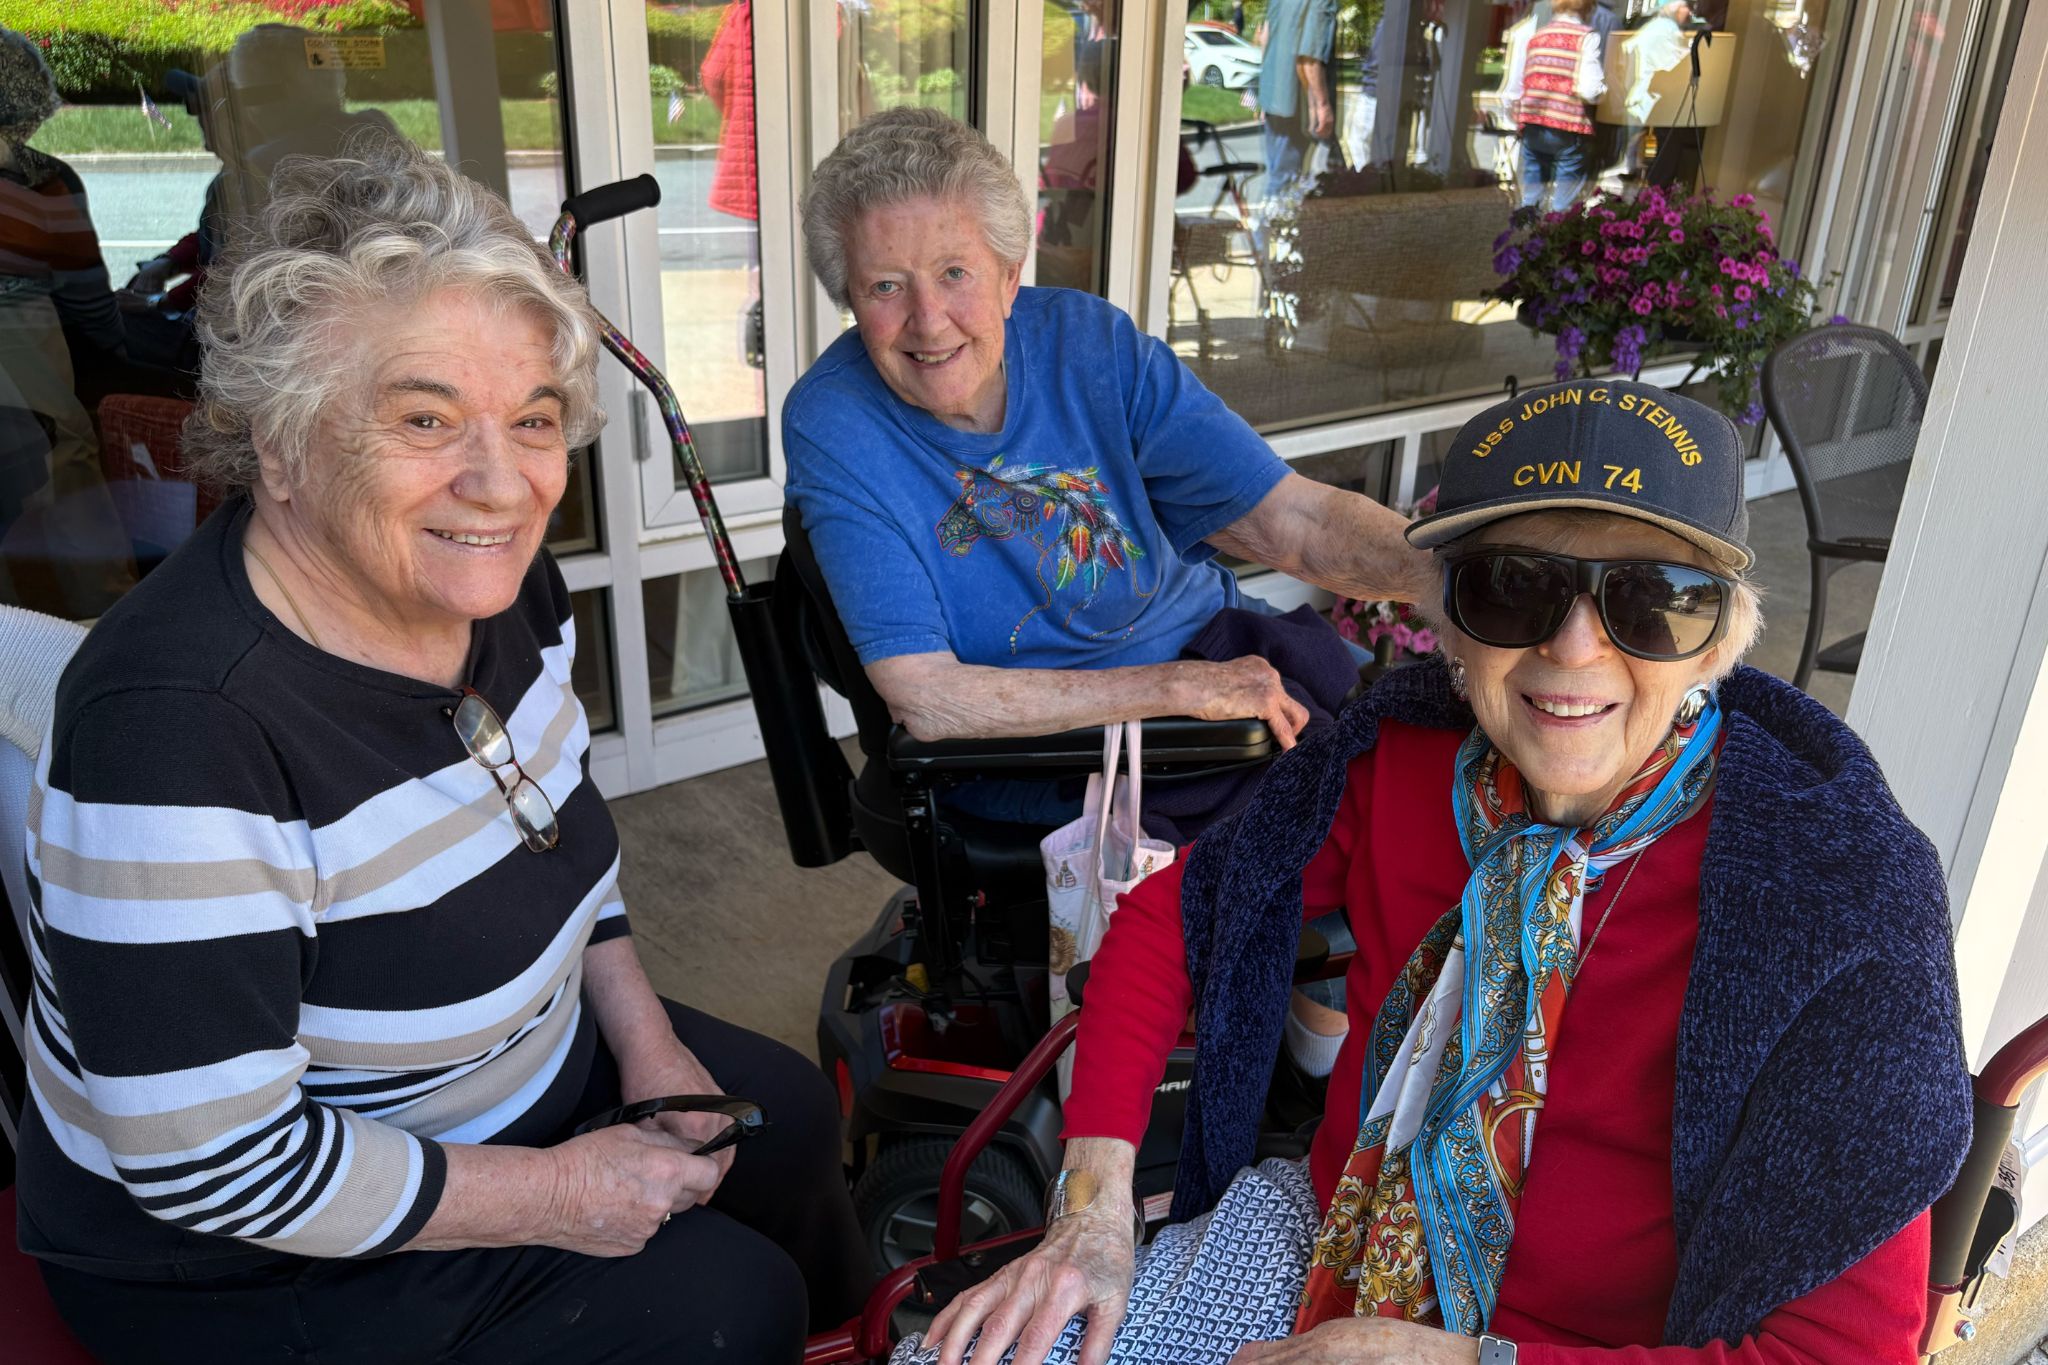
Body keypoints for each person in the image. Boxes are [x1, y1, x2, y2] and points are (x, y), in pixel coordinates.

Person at [17, 135, 869, 1365]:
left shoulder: (499, 592)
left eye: (529, 419)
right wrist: (565, 1197)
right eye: (424, 417)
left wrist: (645, 1041)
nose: (500, 483)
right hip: (242, 1257)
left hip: (502, 1078)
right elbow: (216, 1168)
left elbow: (561, 830)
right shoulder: (180, 730)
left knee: (777, 1117)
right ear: (280, 443)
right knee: (718, 1308)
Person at [915, 379, 1971, 1365]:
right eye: (1513, 589)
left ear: (1714, 643)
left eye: (1651, 599)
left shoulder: (1830, 896)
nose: (1571, 647)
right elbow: (1169, 923)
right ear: (1448, 626)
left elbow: (1838, 1352)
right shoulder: (1393, 770)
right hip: (1327, 1237)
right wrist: (1089, 1212)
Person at [786, 107, 1433, 821]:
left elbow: (1292, 518)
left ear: (1009, 275)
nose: (929, 318)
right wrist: (1177, 691)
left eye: (955, 272)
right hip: (1059, 757)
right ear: (850, 297)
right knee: (1365, 841)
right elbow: (926, 696)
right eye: (885, 286)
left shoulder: (1089, 343)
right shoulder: (836, 424)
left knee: (1424, 783)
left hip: (1224, 663)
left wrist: (1450, 580)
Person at [1504, 0, 1607, 211]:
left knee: (1530, 198)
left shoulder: (1536, 37)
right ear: (1588, 8)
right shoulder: (1586, 37)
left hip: (1533, 123)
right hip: (1568, 126)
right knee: (1564, 202)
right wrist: (1605, 91)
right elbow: (1590, 90)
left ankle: (1526, 236)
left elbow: (1518, 84)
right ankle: (1556, 235)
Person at [1255, 0, 1339, 205]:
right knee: (1286, 183)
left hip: (1275, 95)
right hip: (1294, 104)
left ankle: (1266, 232)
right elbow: (1309, 58)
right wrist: (1322, 105)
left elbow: (1264, 37)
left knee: (1277, 176)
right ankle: (1273, 234)